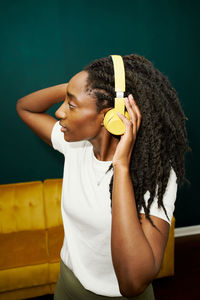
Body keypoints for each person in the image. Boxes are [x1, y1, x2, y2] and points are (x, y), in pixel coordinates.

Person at [16, 54, 191, 300]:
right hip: (68, 285)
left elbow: (132, 284)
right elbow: (24, 107)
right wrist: (76, 89)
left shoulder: (157, 175)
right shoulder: (76, 146)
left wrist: (120, 167)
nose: (59, 112)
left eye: (72, 105)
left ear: (110, 116)